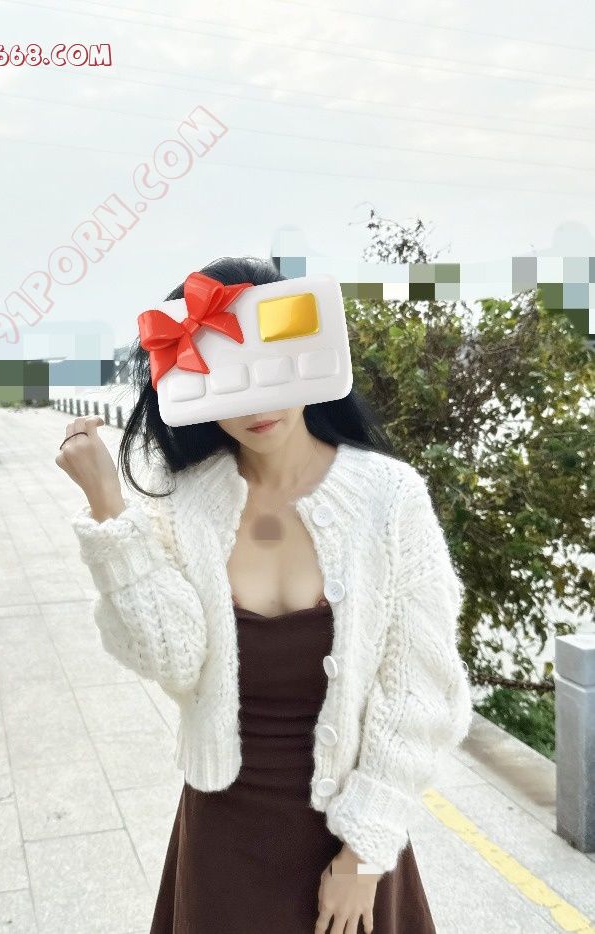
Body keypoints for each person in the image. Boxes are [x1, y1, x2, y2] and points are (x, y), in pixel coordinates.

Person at [56, 256, 473, 933]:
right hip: (223, 838)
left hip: (352, 840)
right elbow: (172, 658)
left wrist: (363, 855)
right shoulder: (186, 504)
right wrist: (108, 505)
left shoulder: (389, 499)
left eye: (273, 369)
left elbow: (421, 694)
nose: (255, 403)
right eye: (224, 376)